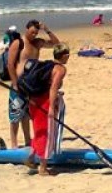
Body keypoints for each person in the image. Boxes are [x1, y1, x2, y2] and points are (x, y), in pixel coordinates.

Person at [7, 20, 60, 149]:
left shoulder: (37, 43)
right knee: (15, 114)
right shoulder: (18, 43)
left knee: (26, 114)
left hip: (31, 85)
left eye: (36, 33)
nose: (34, 35)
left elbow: (57, 44)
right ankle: (14, 143)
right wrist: (14, 84)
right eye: (32, 32)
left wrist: (46, 29)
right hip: (18, 84)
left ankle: (27, 141)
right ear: (26, 29)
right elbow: (10, 64)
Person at [26, 44, 70, 175]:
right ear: (64, 56)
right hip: (44, 102)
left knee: (39, 130)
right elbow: (53, 88)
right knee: (47, 132)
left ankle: (30, 158)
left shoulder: (47, 65)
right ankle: (43, 168)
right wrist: (51, 107)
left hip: (33, 101)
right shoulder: (60, 69)